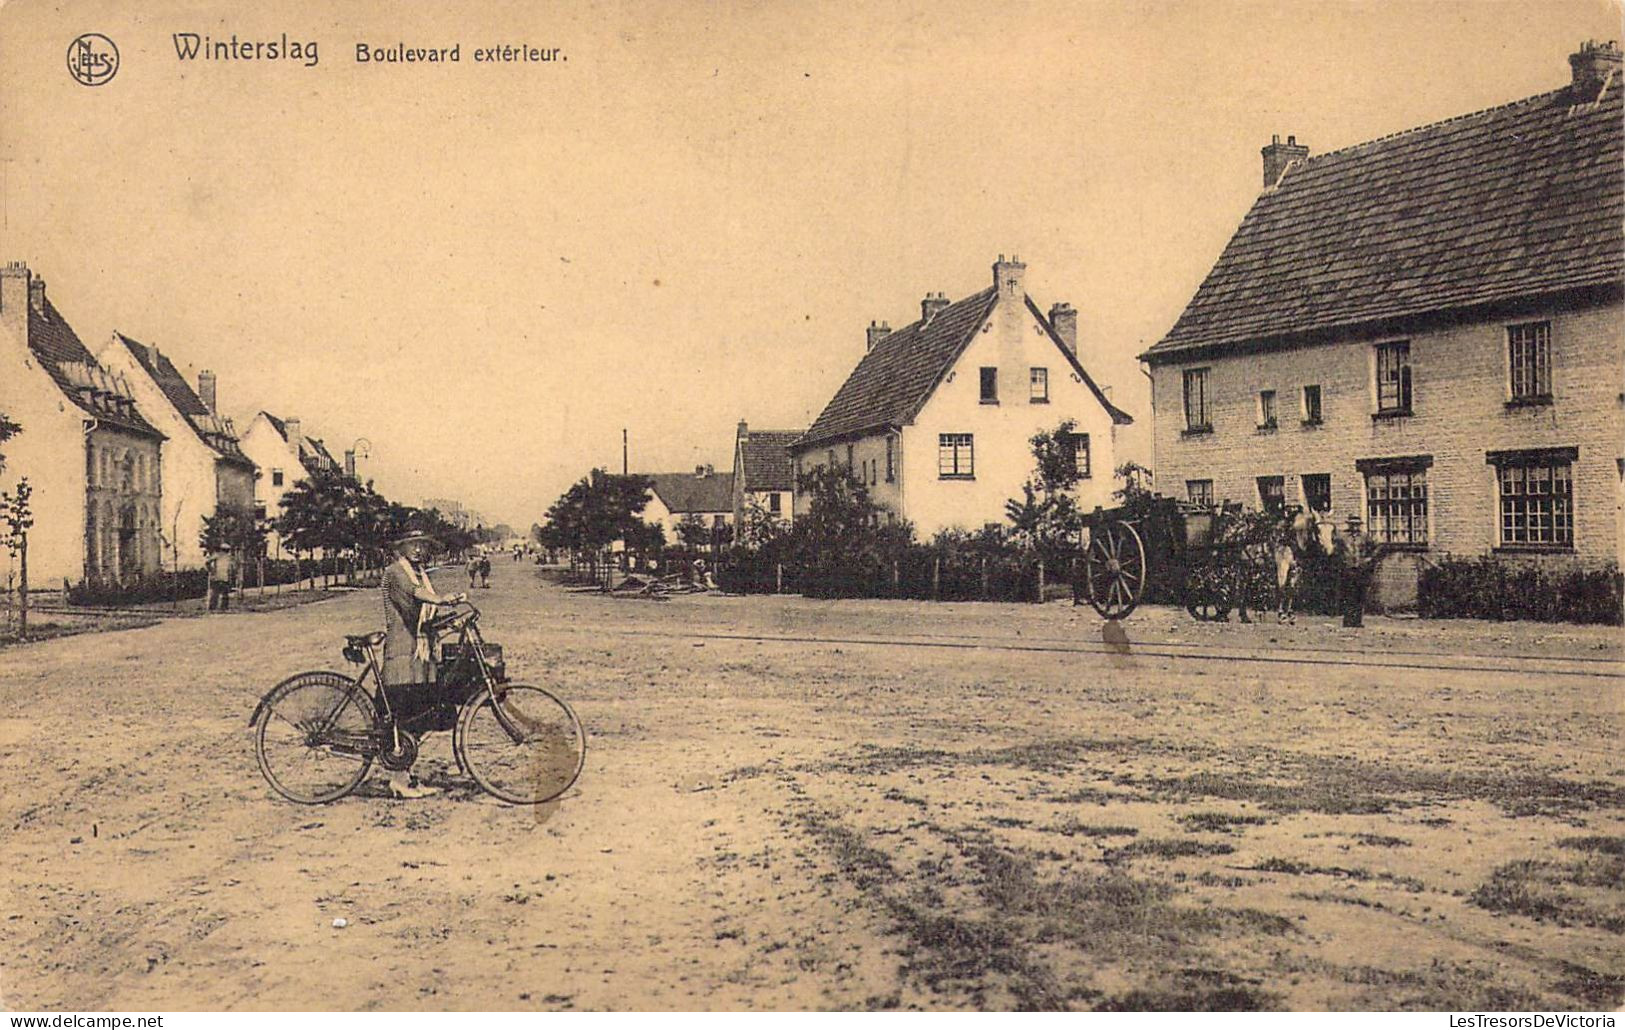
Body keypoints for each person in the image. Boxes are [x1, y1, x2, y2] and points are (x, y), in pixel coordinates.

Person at [381, 530, 466, 798]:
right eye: (412, 545)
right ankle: (398, 779)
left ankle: (403, 775)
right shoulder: (396, 572)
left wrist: (451, 620)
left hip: (420, 650)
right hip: (403, 650)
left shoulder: (420, 573)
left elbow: (425, 615)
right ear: (401, 547)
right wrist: (440, 599)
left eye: (422, 545)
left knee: (417, 714)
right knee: (402, 714)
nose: (417, 550)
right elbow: (414, 594)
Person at [206, 547, 233, 612]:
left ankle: (222, 608)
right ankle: (214, 608)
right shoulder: (218, 555)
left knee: (223, 593)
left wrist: (211, 570)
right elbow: (207, 562)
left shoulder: (227, 557)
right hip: (218, 577)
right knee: (217, 593)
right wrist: (211, 570)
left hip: (222, 577)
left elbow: (207, 562)